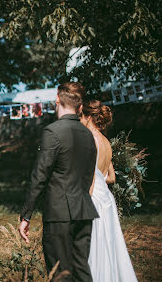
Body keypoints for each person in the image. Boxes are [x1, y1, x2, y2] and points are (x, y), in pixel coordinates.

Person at [18, 82, 99, 282]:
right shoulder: (88, 134)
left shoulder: (52, 131)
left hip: (59, 213)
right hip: (84, 210)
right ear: (80, 107)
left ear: (57, 101)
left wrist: (26, 215)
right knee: (81, 272)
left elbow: (40, 175)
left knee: (59, 274)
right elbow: (88, 176)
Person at [80, 100, 138, 282]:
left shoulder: (89, 140)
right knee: (109, 248)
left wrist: (82, 205)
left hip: (94, 199)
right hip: (106, 198)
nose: (80, 120)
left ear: (89, 117)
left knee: (95, 249)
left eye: (81, 116)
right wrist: (99, 177)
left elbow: (89, 177)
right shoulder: (106, 141)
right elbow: (111, 177)